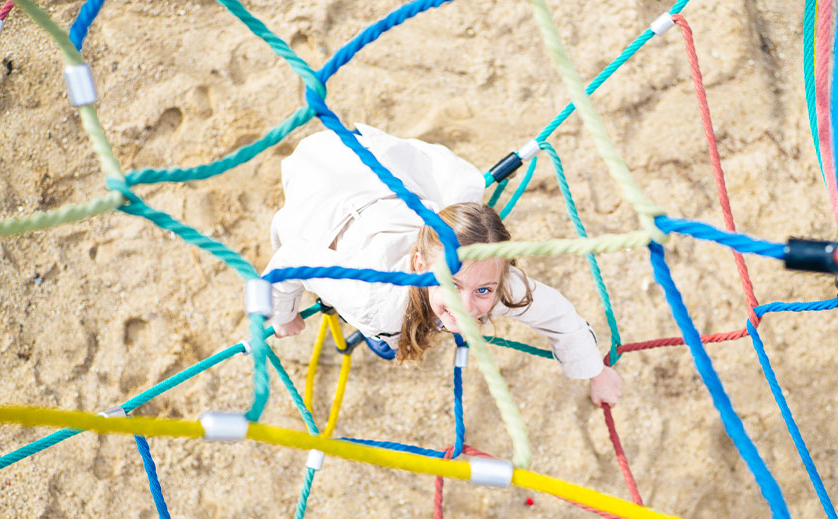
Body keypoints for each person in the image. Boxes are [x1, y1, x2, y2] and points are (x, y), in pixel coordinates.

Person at [263, 123, 622, 407]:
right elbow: (290, 259)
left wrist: (595, 371)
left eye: (484, 290)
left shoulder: (492, 278)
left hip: (381, 186)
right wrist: (282, 314)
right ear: (418, 264)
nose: (467, 307)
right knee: (386, 328)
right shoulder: (370, 298)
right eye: (451, 284)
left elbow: (556, 314)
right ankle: (386, 339)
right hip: (326, 171)